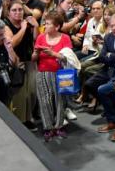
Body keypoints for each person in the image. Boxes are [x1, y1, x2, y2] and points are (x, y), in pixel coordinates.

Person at [33, 11, 72, 141]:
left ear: (57, 27)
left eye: (48, 23)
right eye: (45, 22)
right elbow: (34, 57)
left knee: (61, 100)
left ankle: (59, 126)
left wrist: (53, 53)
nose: (45, 25)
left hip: (62, 73)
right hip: (43, 72)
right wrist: (35, 54)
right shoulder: (41, 37)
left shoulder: (65, 38)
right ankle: (48, 128)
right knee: (44, 100)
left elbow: (69, 58)